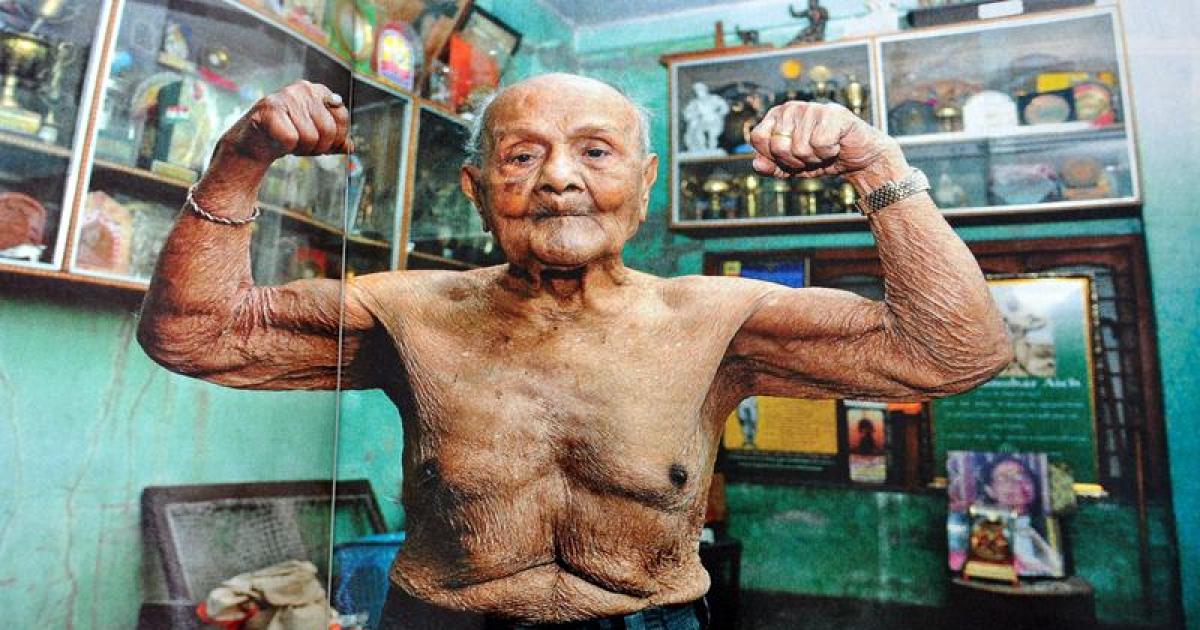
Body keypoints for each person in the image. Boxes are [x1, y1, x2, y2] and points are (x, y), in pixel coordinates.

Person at [137, 73, 1012, 628]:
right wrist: (240, 157)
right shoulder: (407, 312)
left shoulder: (718, 320)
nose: (559, 178)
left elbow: (953, 353)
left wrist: (873, 162)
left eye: (595, 151)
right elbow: (192, 335)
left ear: (645, 182)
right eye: (523, 157)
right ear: (478, 190)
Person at [978, 455, 1064, 577]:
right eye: (1004, 478)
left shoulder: (1048, 523)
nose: (1017, 482)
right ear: (990, 491)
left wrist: (1034, 536)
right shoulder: (986, 529)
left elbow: (1058, 568)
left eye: (1022, 476)